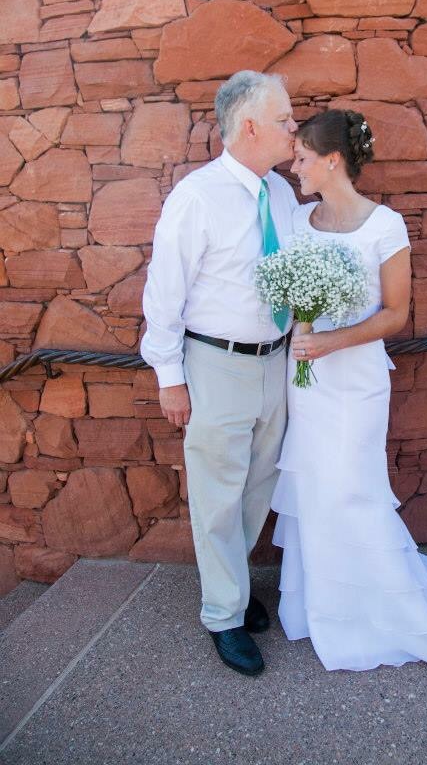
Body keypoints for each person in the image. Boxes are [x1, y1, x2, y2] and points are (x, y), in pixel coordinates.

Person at [272, 108, 427, 674]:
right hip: (307, 380)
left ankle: (391, 610)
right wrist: (304, 323)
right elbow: (292, 297)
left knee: (353, 486)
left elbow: (396, 313)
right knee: (315, 484)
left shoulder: (384, 226)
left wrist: (332, 339)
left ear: (332, 160)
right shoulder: (296, 219)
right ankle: (326, 607)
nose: (294, 167)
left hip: (356, 381)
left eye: (302, 158)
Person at [141, 70, 298, 677]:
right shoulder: (197, 197)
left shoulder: (280, 193)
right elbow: (165, 293)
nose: (293, 128)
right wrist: (170, 377)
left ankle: (234, 586)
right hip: (215, 363)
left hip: (275, 361)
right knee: (216, 494)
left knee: (259, 485)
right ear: (250, 126)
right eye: (283, 119)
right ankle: (223, 614)